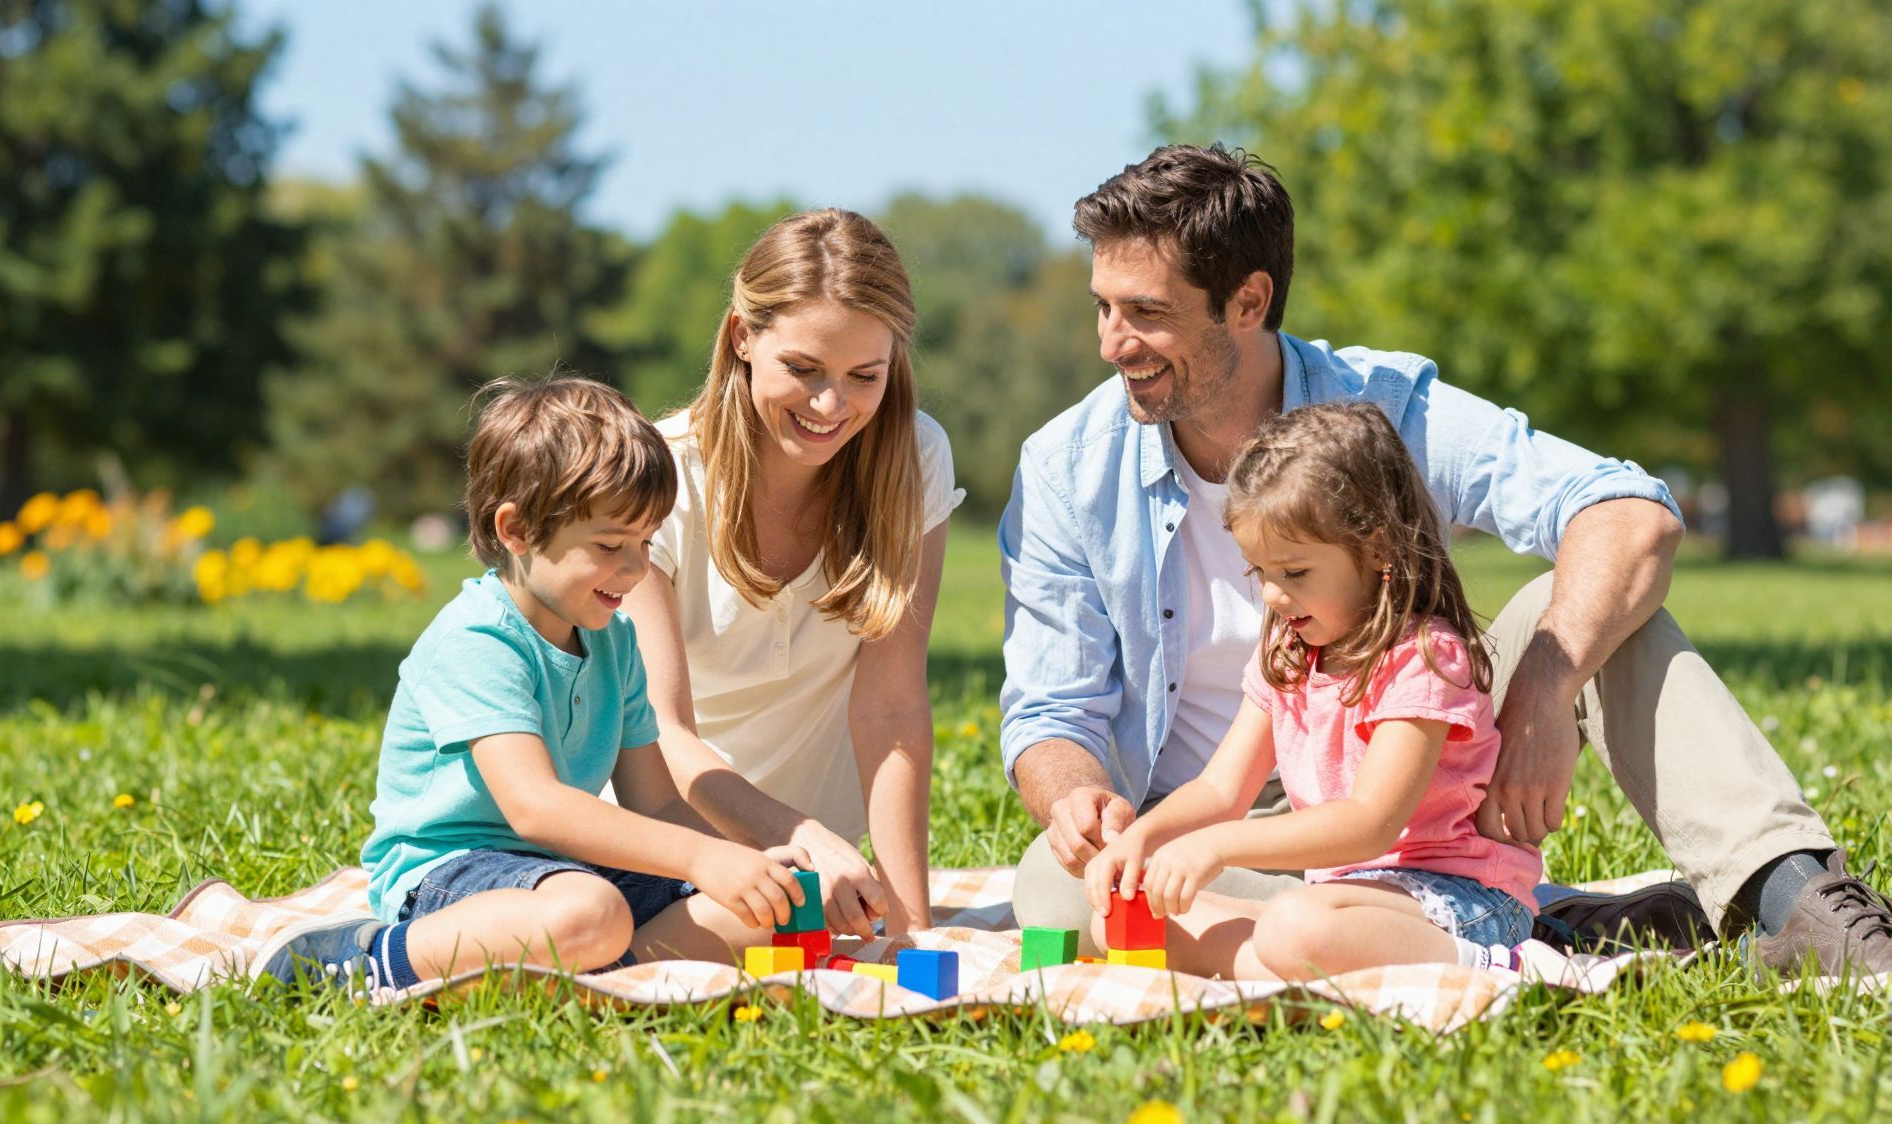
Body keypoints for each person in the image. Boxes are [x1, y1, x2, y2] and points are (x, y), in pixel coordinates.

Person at [1004, 143, 1892, 977]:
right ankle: (1536, 926)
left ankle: (1796, 900)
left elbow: (1629, 514)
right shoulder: (1067, 465)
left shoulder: (1382, 406)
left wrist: (1545, 685)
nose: (1111, 343)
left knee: (1582, 595)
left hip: (1418, 784)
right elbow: (1050, 707)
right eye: (1104, 307)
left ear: (1248, 299)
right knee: (1055, 885)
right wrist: (1080, 799)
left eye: (1147, 313)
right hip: (1236, 829)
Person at [252, 377, 809, 989]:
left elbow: (657, 802)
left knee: (762, 917)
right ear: (516, 530)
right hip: (449, 873)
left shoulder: (613, 640)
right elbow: (535, 808)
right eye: (609, 543)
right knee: (590, 914)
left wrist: (743, 865)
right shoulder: (478, 640)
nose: (636, 567)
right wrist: (703, 859)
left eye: (646, 542)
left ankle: (588, 976)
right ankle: (368, 960)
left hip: (561, 872)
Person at [1086, 403, 1539, 977]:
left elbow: (1369, 822)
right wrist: (1142, 839)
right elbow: (1222, 788)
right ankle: (1305, 969)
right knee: (1128, 918)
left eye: (1295, 573)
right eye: (1260, 573)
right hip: (1337, 900)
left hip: (1458, 903)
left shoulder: (1423, 659)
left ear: (1378, 550)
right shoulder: (1288, 653)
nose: (1273, 596)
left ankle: (1502, 966)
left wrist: (1219, 847)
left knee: (1295, 925)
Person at [622, 209, 962, 938]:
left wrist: (910, 926)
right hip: (664, 839)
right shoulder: (659, 475)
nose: (831, 406)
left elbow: (892, 708)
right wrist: (799, 833)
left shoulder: (914, 459)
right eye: (803, 370)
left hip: (815, 855)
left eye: (863, 376)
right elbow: (661, 732)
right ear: (743, 338)